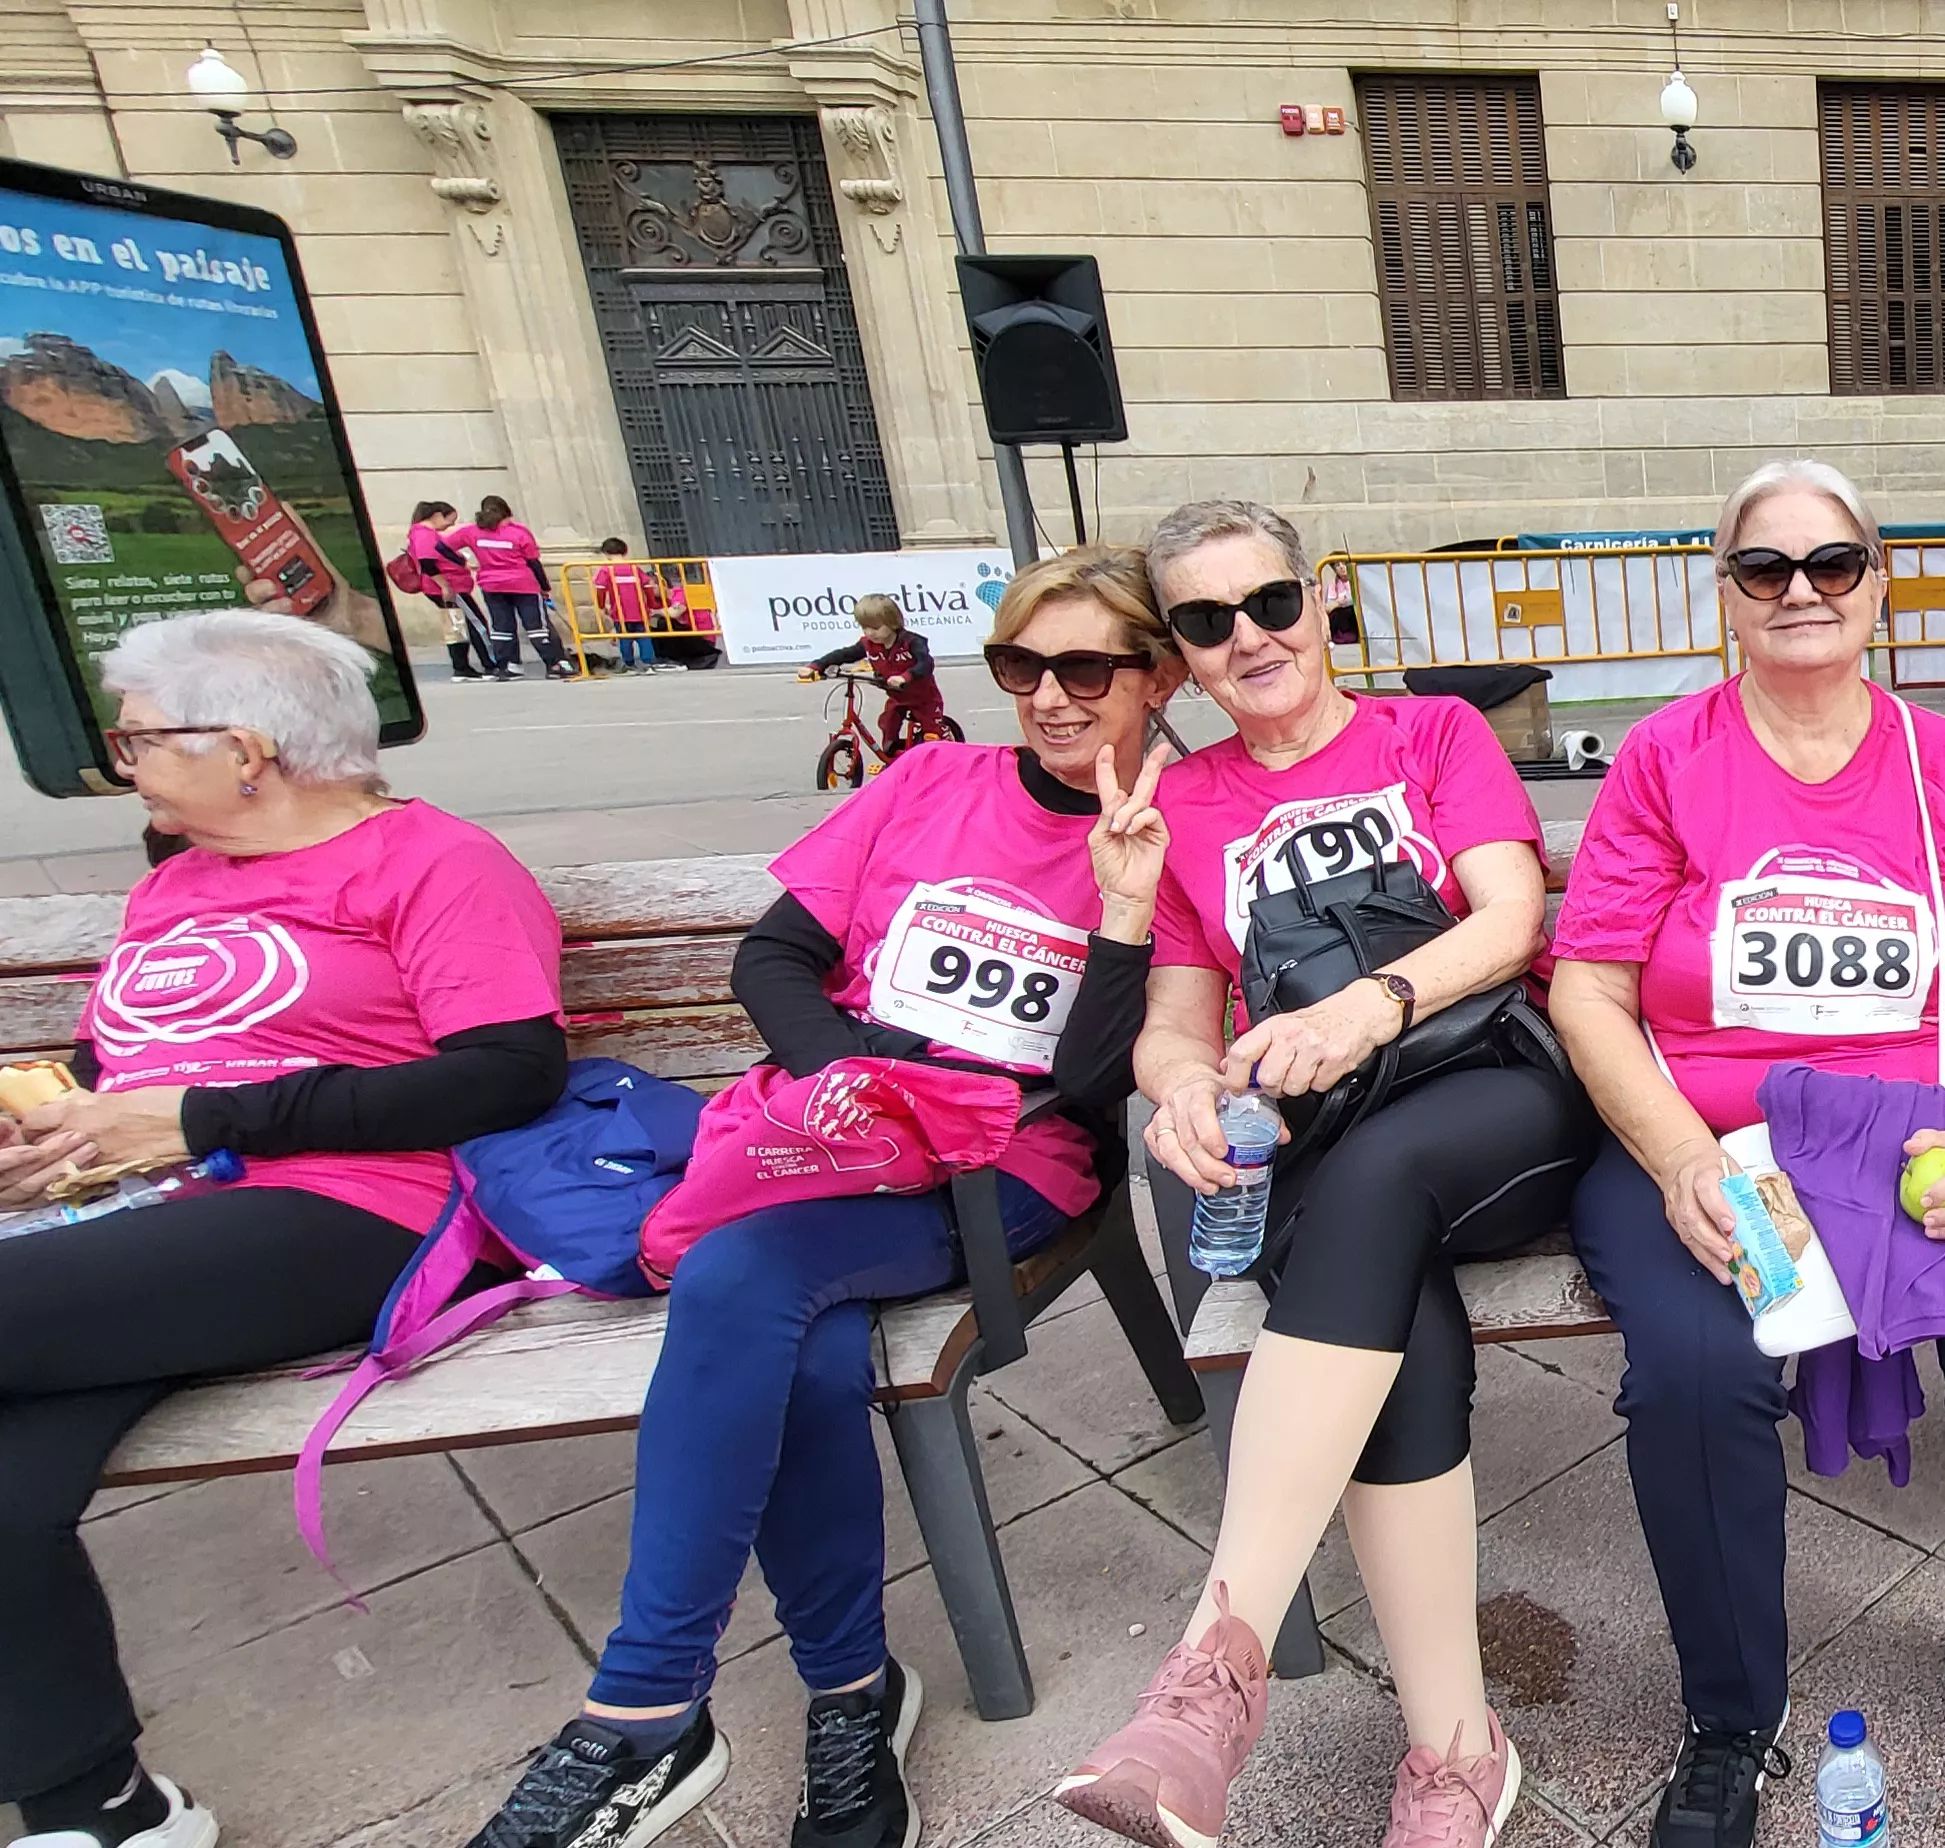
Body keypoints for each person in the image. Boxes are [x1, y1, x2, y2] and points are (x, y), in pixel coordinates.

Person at [463, 548, 1179, 1848]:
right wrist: (860, 1073)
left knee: (749, 1277)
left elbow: (1084, 1086)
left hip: (1000, 1165)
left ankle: (644, 1712)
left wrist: (1125, 906)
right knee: (804, 1332)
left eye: (1086, 668)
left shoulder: (1178, 824)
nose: (1052, 698)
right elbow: (777, 955)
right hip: (832, 1138)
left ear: (1157, 676)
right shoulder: (930, 779)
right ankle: (853, 1695)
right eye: (1023, 666)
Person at [1546, 460, 1945, 1845]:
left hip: (1935, 1123)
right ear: (1728, 595)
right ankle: (1731, 1715)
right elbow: (1588, 988)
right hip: (1714, 1126)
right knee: (1692, 1375)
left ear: (1875, 580)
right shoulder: (1665, 758)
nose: (1802, 591)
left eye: (1832, 564)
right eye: (1767, 569)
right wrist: (1684, 1158)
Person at [1060, 501, 1591, 1848]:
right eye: (1205, 621)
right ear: (1181, 649)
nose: (1249, 638)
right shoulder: (1180, 806)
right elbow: (1177, 1017)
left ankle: (1203, 1679)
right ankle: (1454, 1753)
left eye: (1271, 603)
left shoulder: (1431, 736)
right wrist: (1178, 1085)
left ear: (1322, 596)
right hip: (1333, 1143)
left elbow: (1511, 917)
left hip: (1490, 1099)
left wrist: (1372, 1004)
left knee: (1372, 1192)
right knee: (1379, 1286)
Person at [1, 611, 567, 1848]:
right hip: (147, 1216)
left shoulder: (432, 862)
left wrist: (204, 1118)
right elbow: (126, 1055)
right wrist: (55, 1132)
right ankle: (97, 1808)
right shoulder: (174, 882)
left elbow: (504, 1074)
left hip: (355, 1210)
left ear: (245, 749)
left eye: (138, 737)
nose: (122, 761)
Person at [808, 594, 955, 756]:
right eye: (865, 628)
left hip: (924, 698)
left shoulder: (911, 642)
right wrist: (816, 665)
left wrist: (905, 677)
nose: (870, 633)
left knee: (933, 734)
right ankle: (891, 756)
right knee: (887, 723)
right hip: (898, 698)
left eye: (876, 628)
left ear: (893, 622)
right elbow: (844, 655)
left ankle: (950, 750)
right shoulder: (868, 645)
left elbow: (926, 664)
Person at [450, 495, 563, 679]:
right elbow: (533, 562)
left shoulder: (471, 531)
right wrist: (544, 586)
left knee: (502, 627)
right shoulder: (518, 532)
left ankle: (509, 667)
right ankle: (554, 665)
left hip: (491, 584)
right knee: (536, 626)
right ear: (506, 512)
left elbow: (441, 547)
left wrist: (461, 562)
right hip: (523, 584)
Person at [405, 499, 494, 680]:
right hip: (450, 586)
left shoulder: (422, 533)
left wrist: (463, 563)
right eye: (449, 521)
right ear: (438, 516)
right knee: (476, 624)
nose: (450, 525)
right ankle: (491, 664)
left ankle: (461, 667)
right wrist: (444, 585)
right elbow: (427, 562)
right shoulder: (425, 534)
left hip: (445, 585)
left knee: (456, 626)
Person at [592, 536, 660, 673]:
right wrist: (652, 604)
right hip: (640, 610)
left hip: (620, 611)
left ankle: (629, 664)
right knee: (644, 637)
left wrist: (601, 606)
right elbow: (648, 586)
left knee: (624, 639)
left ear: (606, 553)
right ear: (625, 551)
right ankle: (648, 663)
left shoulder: (607, 569)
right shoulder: (634, 567)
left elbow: (600, 589)